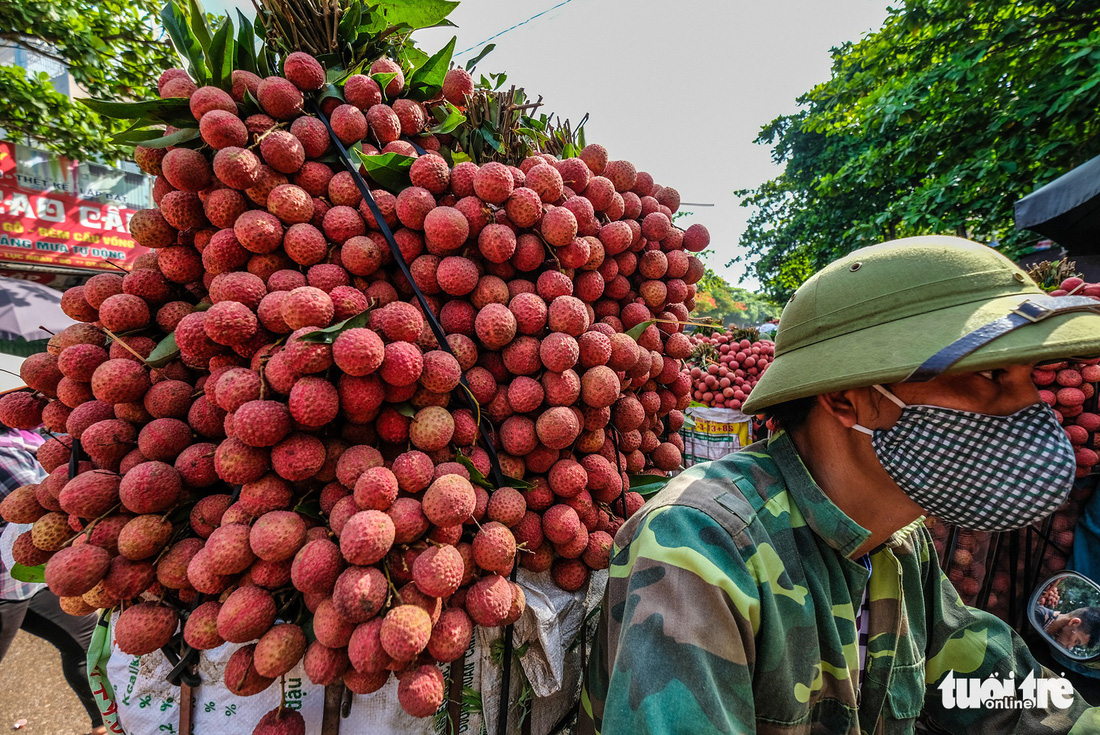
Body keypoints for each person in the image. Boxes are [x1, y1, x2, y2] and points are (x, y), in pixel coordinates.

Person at [581, 237, 1100, 734]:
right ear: (850, 400)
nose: (1028, 405)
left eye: (1028, 376)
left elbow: (996, 688)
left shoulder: (901, 541)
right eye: (989, 376)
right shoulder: (700, 547)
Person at [0, 424, 106, 735]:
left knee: (85, 640)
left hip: (31, 579)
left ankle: (103, 724)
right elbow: (49, 506)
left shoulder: (26, 438)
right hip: (7, 587)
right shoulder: (5, 455)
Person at [1036, 604, 1100, 652]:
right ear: (1074, 622)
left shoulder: (1047, 641)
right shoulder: (1037, 615)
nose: (1069, 647)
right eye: (1076, 641)